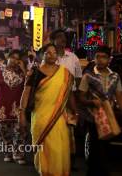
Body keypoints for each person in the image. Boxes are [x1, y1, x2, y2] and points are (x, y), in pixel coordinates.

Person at [20, 44, 75, 176]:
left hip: (59, 117)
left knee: (59, 148)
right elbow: (26, 93)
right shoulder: (35, 73)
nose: (51, 55)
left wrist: (75, 111)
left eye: (54, 52)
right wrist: (21, 113)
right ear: (42, 55)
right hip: (40, 117)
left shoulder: (65, 73)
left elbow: (69, 94)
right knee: (45, 150)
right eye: (48, 53)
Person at [78, 46, 122, 176]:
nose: (100, 60)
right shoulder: (88, 76)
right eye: (97, 57)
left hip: (108, 118)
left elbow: (119, 98)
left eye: (103, 57)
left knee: (105, 151)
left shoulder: (115, 77)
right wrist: (92, 102)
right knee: (94, 152)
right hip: (93, 119)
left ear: (109, 59)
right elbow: (81, 98)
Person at [50, 29, 82, 169]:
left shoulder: (73, 57)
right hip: (52, 100)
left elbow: (79, 78)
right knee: (55, 131)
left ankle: (70, 161)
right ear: (53, 40)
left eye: (64, 38)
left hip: (70, 98)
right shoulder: (50, 58)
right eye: (59, 37)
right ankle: (54, 160)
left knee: (70, 131)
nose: (62, 40)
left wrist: (78, 99)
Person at [0, 50, 27, 165]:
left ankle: (18, 154)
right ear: (7, 57)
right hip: (2, 106)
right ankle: (8, 153)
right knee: (3, 131)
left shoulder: (22, 72)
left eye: (17, 59)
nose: (15, 61)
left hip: (17, 106)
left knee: (20, 131)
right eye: (13, 58)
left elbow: (28, 85)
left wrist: (24, 69)